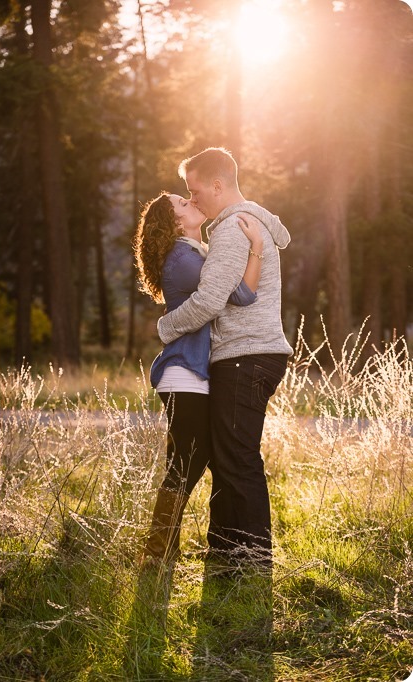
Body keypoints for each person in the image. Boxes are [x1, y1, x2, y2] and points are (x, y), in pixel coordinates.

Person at [157, 148, 293, 565]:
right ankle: (226, 555)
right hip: (247, 354)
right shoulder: (244, 223)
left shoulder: (233, 229)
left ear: (218, 185)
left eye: (195, 191)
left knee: (236, 461)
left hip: (245, 355)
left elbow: (211, 299)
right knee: (228, 458)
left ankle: (249, 563)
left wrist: (164, 328)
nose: (193, 199)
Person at [134, 191, 264, 562]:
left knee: (184, 461)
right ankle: (157, 550)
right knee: (190, 460)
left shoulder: (192, 254)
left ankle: (162, 549)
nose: (191, 200)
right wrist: (255, 247)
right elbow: (240, 294)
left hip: (190, 374)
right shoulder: (184, 258)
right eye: (182, 202)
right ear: (175, 221)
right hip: (183, 374)